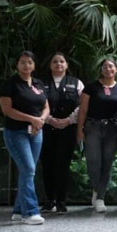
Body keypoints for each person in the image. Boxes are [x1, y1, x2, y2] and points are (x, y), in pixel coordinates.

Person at [0, 51, 49, 225]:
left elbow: (46, 106)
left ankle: (19, 211)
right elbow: (7, 110)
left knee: (28, 171)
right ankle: (30, 212)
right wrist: (32, 119)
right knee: (28, 169)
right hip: (16, 132)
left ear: (34, 65)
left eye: (29, 62)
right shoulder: (10, 84)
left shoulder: (38, 83)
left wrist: (41, 120)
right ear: (17, 65)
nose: (26, 65)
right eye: (22, 62)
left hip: (36, 132)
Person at [76, 58, 117, 213]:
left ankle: (100, 197)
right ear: (101, 70)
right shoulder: (91, 87)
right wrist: (80, 129)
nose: (108, 69)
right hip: (92, 127)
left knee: (107, 162)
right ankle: (97, 189)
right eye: (105, 66)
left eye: (111, 66)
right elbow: (83, 109)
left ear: (116, 69)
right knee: (93, 162)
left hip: (112, 128)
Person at [41, 52, 83, 214]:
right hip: (46, 128)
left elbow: (82, 106)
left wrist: (67, 120)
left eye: (62, 61)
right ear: (50, 65)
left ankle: (61, 201)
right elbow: (37, 104)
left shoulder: (76, 83)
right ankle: (49, 200)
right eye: (55, 62)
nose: (58, 64)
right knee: (47, 164)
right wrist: (50, 119)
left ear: (66, 65)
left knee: (63, 165)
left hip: (68, 129)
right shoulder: (40, 83)